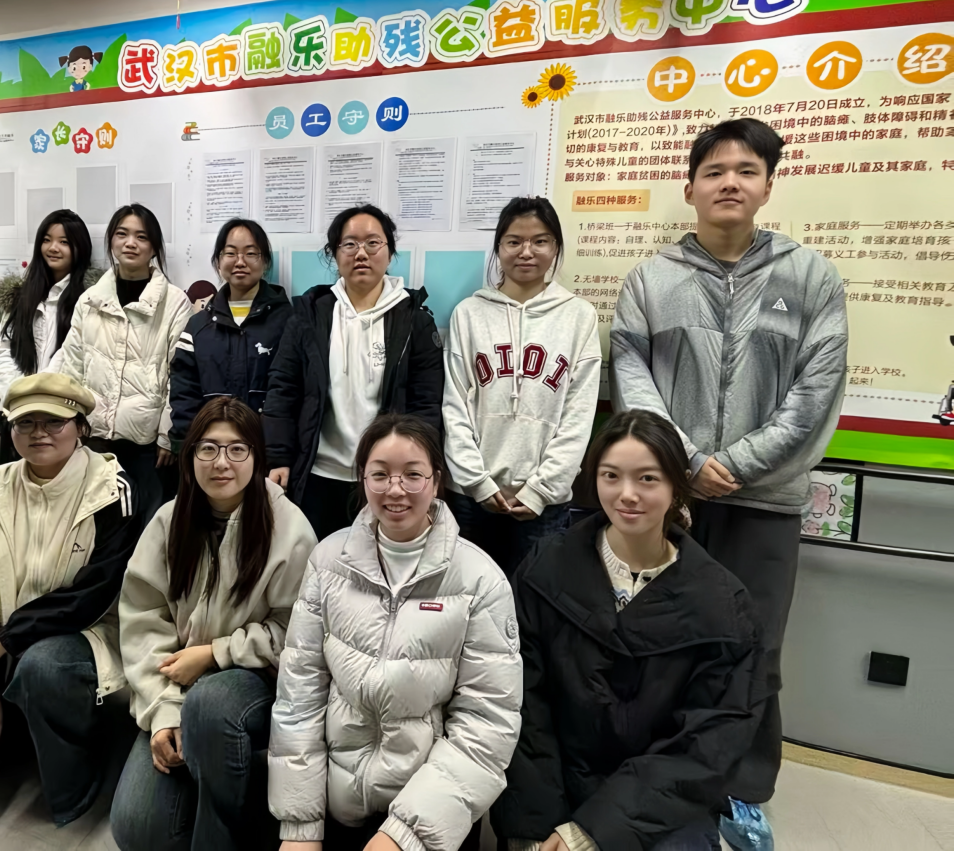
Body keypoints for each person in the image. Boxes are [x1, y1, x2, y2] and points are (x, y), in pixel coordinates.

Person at [609, 118, 848, 850]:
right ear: (689, 188)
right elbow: (631, 378)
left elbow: (816, 392)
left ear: (768, 185)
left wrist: (736, 463)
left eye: (746, 170)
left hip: (764, 503)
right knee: (657, 640)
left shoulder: (809, 277)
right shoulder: (651, 280)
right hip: (668, 501)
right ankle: (653, 776)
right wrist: (683, 462)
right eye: (714, 171)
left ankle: (742, 789)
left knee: (752, 647)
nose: (729, 183)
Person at [491, 409, 763, 851]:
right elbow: (521, 703)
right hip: (553, 787)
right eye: (611, 476)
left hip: (661, 801)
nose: (627, 494)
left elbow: (709, 742)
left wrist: (593, 830)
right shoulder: (546, 570)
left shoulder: (723, 606)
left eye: (648, 479)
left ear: (678, 485)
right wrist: (537, 826)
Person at [269, 414, 521, 851]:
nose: (396, 489)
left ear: (436, 481)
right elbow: (299, 696)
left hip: (432, 817)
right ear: (362, 479)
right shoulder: (327, 562)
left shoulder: (481, 580)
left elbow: (487, 723)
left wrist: (405, 835)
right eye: (380, 474)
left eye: (412, 475)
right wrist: (300, 826)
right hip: (336, 803)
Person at [0, 373, 142, 825]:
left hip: (81, 636)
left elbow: (93, 594)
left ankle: (79, 763)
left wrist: (5, 641)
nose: (39, 433)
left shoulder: (112, 489)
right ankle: (23, 721)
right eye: (25, 423)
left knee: (42, 667)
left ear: (81, 428)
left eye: (54, 422)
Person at [111, 397, 316, 851]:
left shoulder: (290, 527)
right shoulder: (169, 520)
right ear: (189, 456)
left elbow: (298, 630)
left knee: (212, 702)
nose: (221, 462)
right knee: (138, 830)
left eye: (237, 449)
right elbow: (143, 620)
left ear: (257, 457)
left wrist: (216, 653)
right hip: (176, 682)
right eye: (207, 448)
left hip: (254, 681)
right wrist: (163, 711)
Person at [263, 205, 444, 538]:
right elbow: (283, 388)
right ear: (334, 254)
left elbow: (426, 404)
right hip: (317, 475)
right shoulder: (309, 315)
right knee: (315, 560)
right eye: (349, 244)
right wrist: (278, 457)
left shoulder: (415, 321)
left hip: (386, 480)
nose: (361, 253)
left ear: (389, 252)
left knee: (378, 563)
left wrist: (418, 471)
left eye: (372, 243)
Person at [442, 196, 601, 575]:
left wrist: (540, 490)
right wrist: (478, 483)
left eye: (540, 241)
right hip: (470, 498)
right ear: (499, 248)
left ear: (556, 247)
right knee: (465, 594)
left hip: (545, 502)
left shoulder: (579, 316)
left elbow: (578, 416)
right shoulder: (469, 314)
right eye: (514, 241)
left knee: (534, 598)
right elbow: (454, 406)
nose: (526, 252)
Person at [57, 203, 192, 528]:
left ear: (154, 247)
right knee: (95, 527)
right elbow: (72, 366)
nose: (130, 243)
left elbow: (179, 376)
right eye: (122, 234)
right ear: (112, 241)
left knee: (146, 529)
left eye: (141, 237)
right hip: (93, 439)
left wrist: (167, 435)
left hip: (148, 446)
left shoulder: (175, 303)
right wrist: (70, 425)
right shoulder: (90, 299)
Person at [169, 219, 293, 451]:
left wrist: (280, 454)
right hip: (212, 452)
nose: (240, 261)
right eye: (230, 253)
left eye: (251, 253)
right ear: (218, 261)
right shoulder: (197, 326)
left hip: (267, 451)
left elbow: (293, 393)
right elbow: (183, 393)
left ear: (265, 261)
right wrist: (185, 448)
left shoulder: (288, 321)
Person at [0, 209, 100, 460]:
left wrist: (43, 400)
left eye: (64, 242)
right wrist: (18, 399)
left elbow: (75, 356)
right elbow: (3, 352)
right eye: (47, 240)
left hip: (63, 416)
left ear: (80, 248)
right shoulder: (21, 295)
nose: (53, 248)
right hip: (18, 415)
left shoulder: (91, 299)